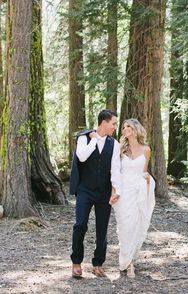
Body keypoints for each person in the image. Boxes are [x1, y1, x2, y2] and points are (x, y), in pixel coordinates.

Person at [70, 109, 121, 278]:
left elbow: (115, 170)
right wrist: (94, 140)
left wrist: (115, 190)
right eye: (113, 123)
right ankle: (76, 262)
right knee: (80, 225)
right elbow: (82, 157)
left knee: (102, 229)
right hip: (84, 190)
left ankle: (98, 263)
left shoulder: (114, 144)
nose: (115, 126)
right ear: (104, 122)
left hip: (104, 192)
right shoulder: (84, 138)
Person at [110, 118, 155, 278]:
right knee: (124, 227)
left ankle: (129, 262)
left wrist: (148, 179)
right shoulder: (120, 149)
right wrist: (114, 192)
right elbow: (115, 173)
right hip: (123, 192)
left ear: (136, 129)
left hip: (138, 192)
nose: (125, 128)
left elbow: (144, 172)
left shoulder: (146, 149)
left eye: (128, 126)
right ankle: (127, 262)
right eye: (123, 127)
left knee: (135, 226)